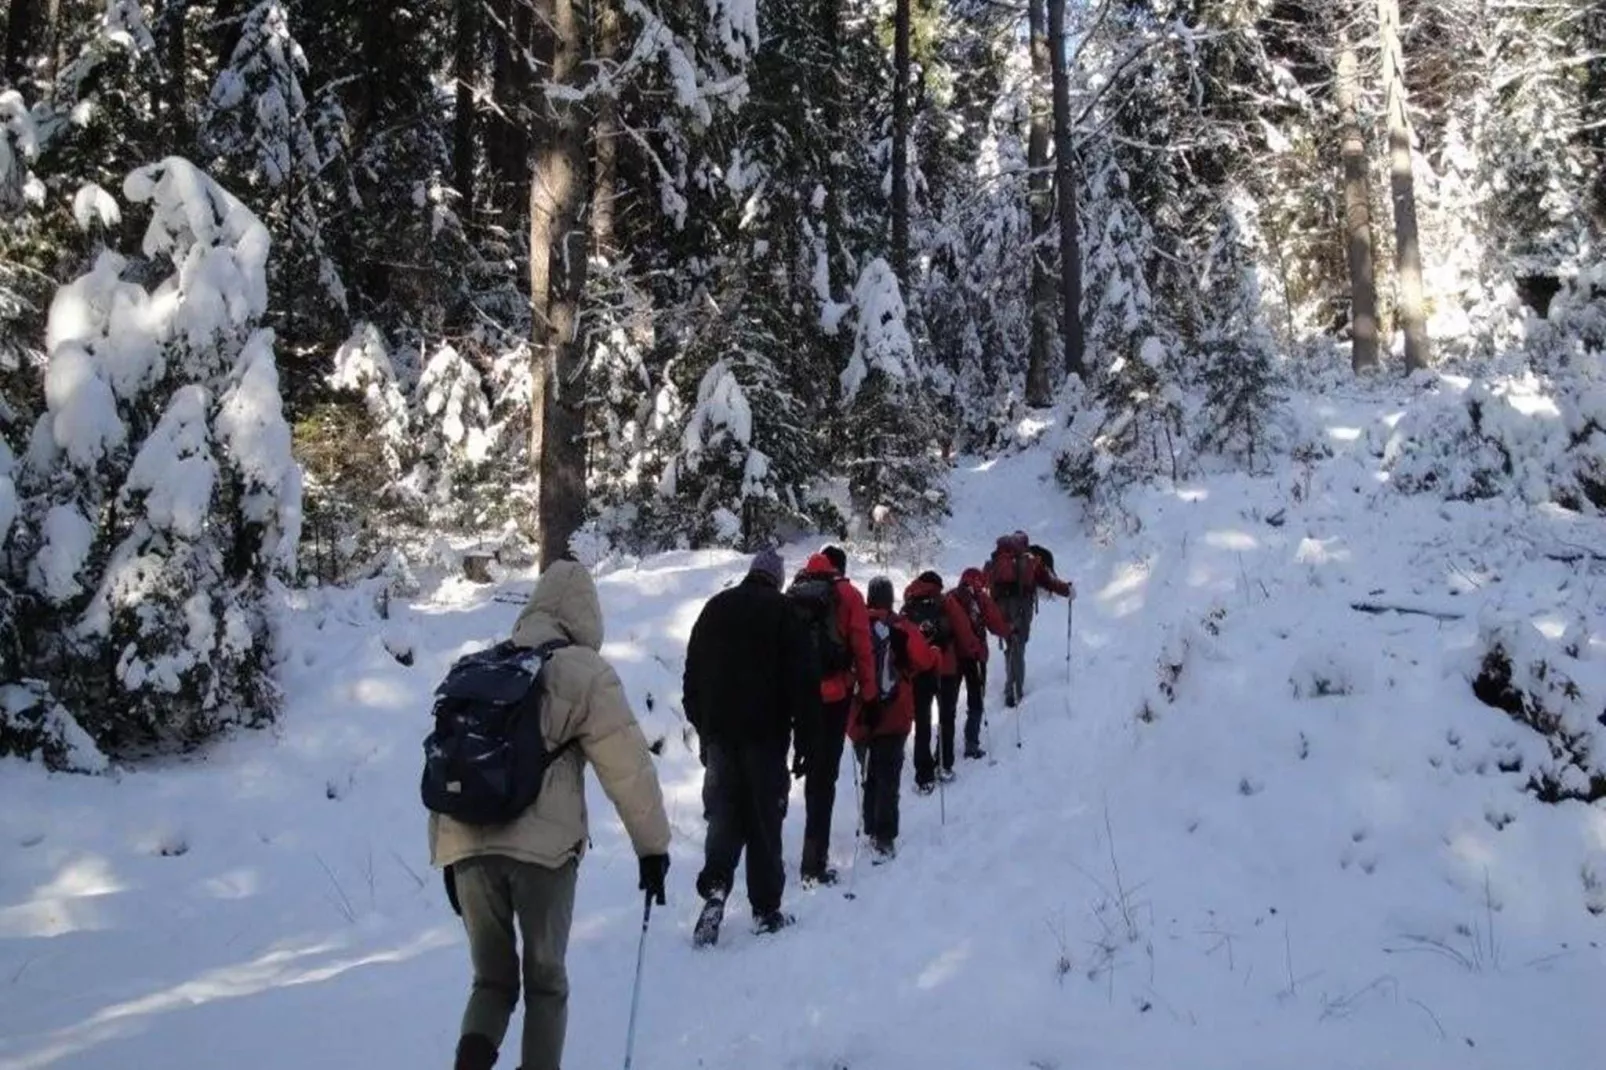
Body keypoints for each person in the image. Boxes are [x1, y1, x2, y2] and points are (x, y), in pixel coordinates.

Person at [431, 560, 672, 1070]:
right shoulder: (584, 671)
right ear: (587, 615)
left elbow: (445, 767)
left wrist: (448, 858)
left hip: (466, 847)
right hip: (543, 856)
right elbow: (627, 770)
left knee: (491, 981)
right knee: (545, 983)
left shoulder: (478, 667)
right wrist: (652, 849)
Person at [682, 549, 819, 944]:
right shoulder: (784, 613)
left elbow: (691, 675)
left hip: (720, 739)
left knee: (724, 815)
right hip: (766, 738)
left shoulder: (714, 608)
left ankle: (716, 887)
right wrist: (807, 738)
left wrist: (704, 725)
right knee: (763, 822)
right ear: (775, 579)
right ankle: (765, 910)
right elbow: (803, 681)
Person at [788, 549, 875, 885]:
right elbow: (863, 648)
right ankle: (814, 861)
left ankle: (785, 854)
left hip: (799, 696)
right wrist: (868, 695)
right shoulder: (849, 596)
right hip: (835, 695)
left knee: (811, 770)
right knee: (825, 777)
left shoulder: (794, 593)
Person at [848, 577, 937, 860]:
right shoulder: (901, 628)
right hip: (894, 714)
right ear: (890, 599)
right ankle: (884, 838)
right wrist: (934, 653)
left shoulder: (854, 626)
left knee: (869, 774)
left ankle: (870, 825)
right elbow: (923, 660)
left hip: (860, 715)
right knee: (888, 776)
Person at [901, 570, 983, 791]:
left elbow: (900, 637)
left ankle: (923, 775)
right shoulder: (945, 601)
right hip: (946, 669)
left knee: (923, 721)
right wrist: (976, 650)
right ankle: (944, 765)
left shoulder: (908, 604)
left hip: (918, 671)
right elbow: (963, 631)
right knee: (947, 718)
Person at [986, 531, 1074, 707]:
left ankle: (1010, 683)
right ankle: (1014, 690)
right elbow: (1048, 581)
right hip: (1021, 606)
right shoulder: (1030, 561)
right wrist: (1067, 590)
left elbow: (986, 580)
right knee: (1018, 645)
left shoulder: (997, 560)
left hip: (1001, 607)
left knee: (1010, 643)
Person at [954, 568, 1013, 755]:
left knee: (949, 703)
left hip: (953, 658)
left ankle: (942, 746)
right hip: (976, 657)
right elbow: (995, 623)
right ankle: (971, 743)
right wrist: (1010, 632)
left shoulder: (950, 597)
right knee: (976, 700)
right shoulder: (981, 599)